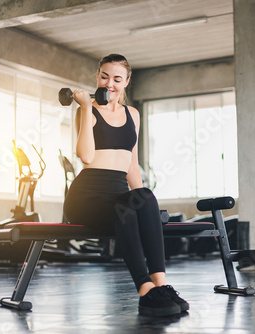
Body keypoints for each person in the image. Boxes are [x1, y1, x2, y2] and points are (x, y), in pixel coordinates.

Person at [63, 54, 188, 317]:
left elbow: (132, 164)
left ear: (127, 82)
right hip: (88, 197)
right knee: (126, 209)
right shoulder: (86, 111)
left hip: (117, 195)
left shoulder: (133, 114)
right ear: (97, 77)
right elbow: (85, 156)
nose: (110, 84)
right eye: (104, 76)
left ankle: (161, 286)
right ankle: (145, 291)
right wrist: (86, 108)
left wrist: (145, 205)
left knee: (144, 197)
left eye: (117, 79)